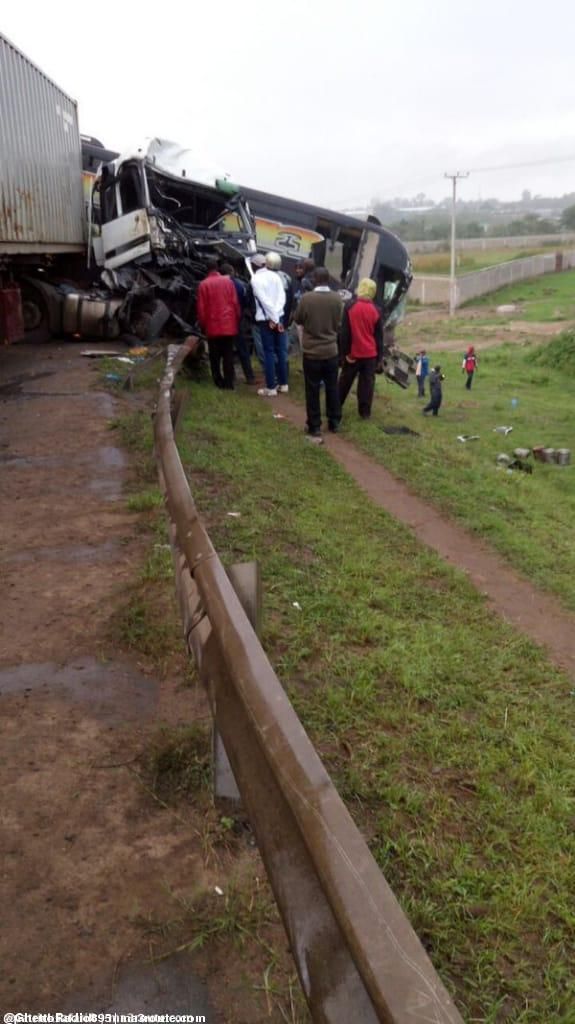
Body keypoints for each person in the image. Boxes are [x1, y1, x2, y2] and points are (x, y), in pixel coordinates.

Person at [294, 266, 343, 441]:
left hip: (312, 352)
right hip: (331, 351)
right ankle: (334, 422)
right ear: (328, 279)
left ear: (314, 279)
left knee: (312, 389)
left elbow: (298, 319)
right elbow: (339, 322)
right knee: (332, 387)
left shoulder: (307, 299)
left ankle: (314, 426)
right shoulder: (337, 299)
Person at [338, 278, 383, 420]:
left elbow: (344, 333)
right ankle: (365, 413)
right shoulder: (377, 310)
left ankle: (335, 406)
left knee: (344, 382)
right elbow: (379, 337)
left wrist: (344, 354)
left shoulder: (350, 306)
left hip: (353, 353)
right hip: (370, 355)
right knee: (366, 385)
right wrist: (379, 359)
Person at [196, 257, 241, 390]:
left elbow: (201, 309)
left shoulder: (203, 285)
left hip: (212, 326)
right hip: (229, 325)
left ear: (206, 269)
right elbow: (235, 303)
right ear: (217, 268)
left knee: (214, 356)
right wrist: (236, 320)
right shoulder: (228, 282)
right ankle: (229, 383)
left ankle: (218, 381)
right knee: (228, 355)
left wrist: (203, 325)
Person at [251, 251, 287, 397]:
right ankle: (283, 384)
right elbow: (282, 298)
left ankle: (271, 386)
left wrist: (273, 318)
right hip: (278, 317)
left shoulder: (256, 279)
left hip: (267, 320)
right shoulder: (276, 277)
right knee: (281, 351)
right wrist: (277, 317)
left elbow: (264, 301)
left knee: (269, 352)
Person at [220, 262, 256, 384]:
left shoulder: (219, 285)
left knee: (226, 350)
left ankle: (230, 377)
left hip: (223, 321)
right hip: (236, 320)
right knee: (242, 349)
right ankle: (249, 376)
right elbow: (245, 302)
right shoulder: (239, 285)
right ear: (232, 272)